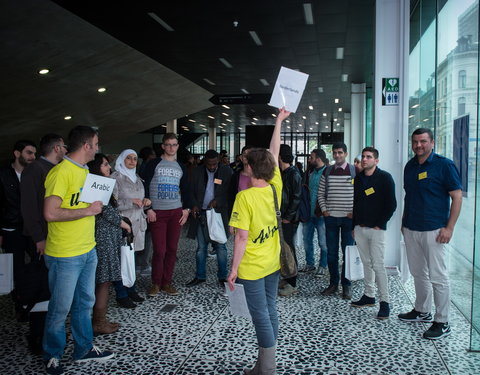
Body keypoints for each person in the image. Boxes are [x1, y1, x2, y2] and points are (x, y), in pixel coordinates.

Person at [42, 126, 113, 375]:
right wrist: (87, 211)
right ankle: (52, 354)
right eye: (96, 143)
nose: (97, 147)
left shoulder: (85, 172)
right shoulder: (61, 172)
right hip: (65, 253)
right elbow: (50, 213)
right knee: (60, 307)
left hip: (87, 249)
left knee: (85, 303)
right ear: (86, 146)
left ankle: (83, 348)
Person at [227, 107, 290, 375]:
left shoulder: (246, 197)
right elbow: (273, 153)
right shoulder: (275, 185)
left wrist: (232, 270)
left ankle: (267, 368)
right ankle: (265, 363)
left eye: (246, 161)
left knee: (260, 314)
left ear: (251, 168)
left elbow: (241, 237)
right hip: (272, 262)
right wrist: (278, 122)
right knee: (270, 308)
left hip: (252, 267)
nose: (244, 163)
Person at [399, 128, 462, 340]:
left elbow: (457, 197)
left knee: (438, 276)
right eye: (415, 142)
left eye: (423, 142)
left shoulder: (444, 165)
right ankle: (422, 310)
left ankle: (442, 321)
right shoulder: (410, 166)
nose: (419, 145)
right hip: (411, 228)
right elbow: (409, 197)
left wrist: (449, 227)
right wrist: (403, 222)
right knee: (418, 273)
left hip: (434, 230)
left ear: (432, 143)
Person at [20, 134, 65, 353]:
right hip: (41, 240)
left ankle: (49, 332)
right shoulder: (35, 169)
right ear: (57, 148)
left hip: (55, 238)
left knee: (52, 288)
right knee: (42, 289)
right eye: (64, 146)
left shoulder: (55, 169)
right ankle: (37, 336)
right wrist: (38, 237)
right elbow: (28, 207)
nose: (66, 149)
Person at [88, 154, 132, 335]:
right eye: (105, 165)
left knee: (103, 280)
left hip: (108, 237)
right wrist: (124, 224)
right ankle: (98, 322)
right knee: (104, 281)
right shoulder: (98, 185)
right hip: (104, 238)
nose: (109, 168)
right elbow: (105, 210)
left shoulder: (101, 184)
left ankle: (99, 319)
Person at [144, 133, 191, 297]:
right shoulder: (153, 164)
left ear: (178, 146)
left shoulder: (180, 166)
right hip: (157, 212)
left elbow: (186, 189)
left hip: (175, 211)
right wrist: (148, 209)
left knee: (172, 249)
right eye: (168, 144)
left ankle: (166, 282)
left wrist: (187, 210)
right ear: (163, 146)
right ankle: (156, 283)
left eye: (174, 144)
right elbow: (145, 186)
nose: (171, 147)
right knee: (160, 250)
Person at [351, 147, 396, 319]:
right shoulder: (359, 178)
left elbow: (391, 204)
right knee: (365, 263)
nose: (364, 159)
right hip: (360, 229)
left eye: (368, 157)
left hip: (376, 230)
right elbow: (355, 203)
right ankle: (369, 295)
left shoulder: (385, 178)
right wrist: (353, 227)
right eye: (363, 156)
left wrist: (379, 224)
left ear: (376, 160)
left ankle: (385, 302)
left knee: (378, 265)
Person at [186, 149, 232, 288]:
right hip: (202, 214)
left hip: (218, 214)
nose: (212, 167)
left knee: (221, 246)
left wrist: (218, 200)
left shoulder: (226, 172)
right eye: (209, 164)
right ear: (204, 162)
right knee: (201, 247)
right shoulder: (196, 172)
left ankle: (223, 276)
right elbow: (190, 191)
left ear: (218, 161)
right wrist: (194, 205)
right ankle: (200, 276)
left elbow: (229, 192)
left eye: (214, 164)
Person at [318, 143, 356, 299]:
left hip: (348, 219)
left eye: (340, 152)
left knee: (347, 253)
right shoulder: (327, 172)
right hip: (331, 218)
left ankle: (346, 285)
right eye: (335, 153)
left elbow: (359, 193)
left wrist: (355, 212)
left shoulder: (354, 171)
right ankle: (333, 284)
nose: (337, 155)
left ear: (346, 154)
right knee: (332, 253)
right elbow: (320, 193)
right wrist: (324, 210)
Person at [111, 149, 148, 308]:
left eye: (135, 158)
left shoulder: (138, 178)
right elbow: (110, 204)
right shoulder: (115, 178)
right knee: (121, 259)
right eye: (128, 158)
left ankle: (131, 288)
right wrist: (130, 202)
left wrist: (145, 201)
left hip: (137, 224)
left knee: (130, 259)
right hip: (123, 224)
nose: (132, 161)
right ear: (121, 160)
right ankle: (121, 293)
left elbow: (139, 199)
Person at [0, 140, 37, 283]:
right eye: (29, 152)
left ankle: (35, 297)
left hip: (32, 228)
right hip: (11, 228)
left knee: (38, 262)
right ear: (17, 153)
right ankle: (19, 300)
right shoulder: (3, 174)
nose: (33, 156)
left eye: (34, 153)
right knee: (15, 267)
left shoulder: (35, 174)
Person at [298, 149, 329, 276]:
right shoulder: (309, 173)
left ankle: (323, 265)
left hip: (321, 214)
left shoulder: (328, 173)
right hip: (308, 214)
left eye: (311, 157)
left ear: (318, 159)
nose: (309, 160)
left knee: (323, 242)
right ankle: (309, 264)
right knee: (307, 240)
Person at [277, 144, 302, 297]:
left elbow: (296, 198)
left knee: (288, 250)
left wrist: (287, 217)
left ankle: (292, 283)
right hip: (284, 217)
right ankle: (287, 278)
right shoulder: (285, 172)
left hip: (289, 219)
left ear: (280, 156)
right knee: (284, 249)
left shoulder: (293, 174)